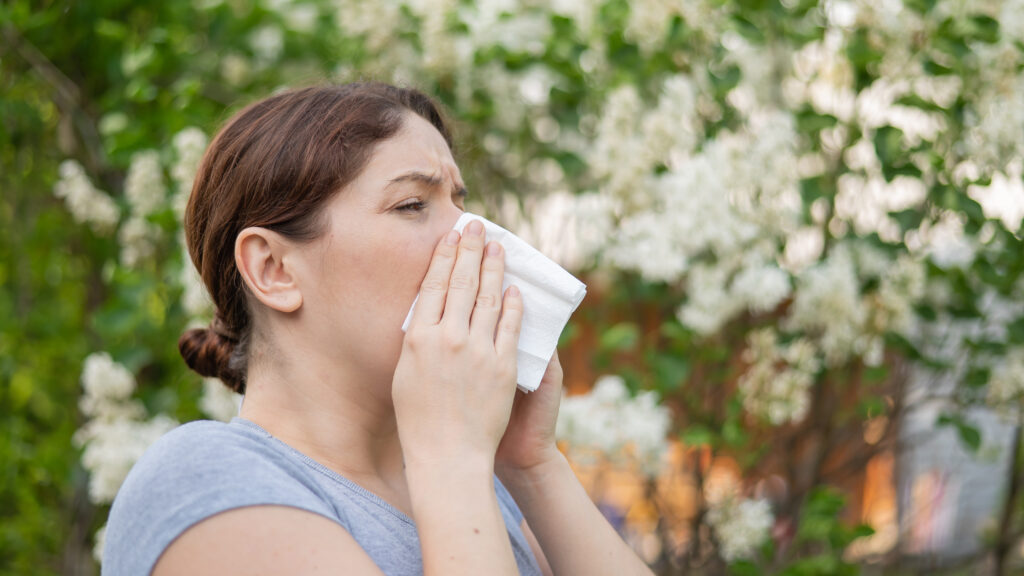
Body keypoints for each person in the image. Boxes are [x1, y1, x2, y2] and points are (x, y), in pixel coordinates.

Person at [102, 82, 656, 576]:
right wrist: (452, 454)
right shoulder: (203, 481)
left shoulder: (478, 485)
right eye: (412, 204)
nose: (477, 236)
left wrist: (530, 464)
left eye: (461, 204)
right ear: (273, 270)